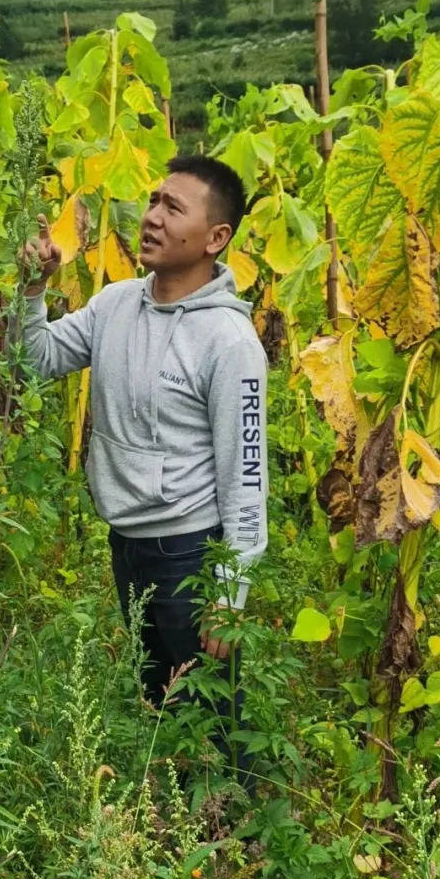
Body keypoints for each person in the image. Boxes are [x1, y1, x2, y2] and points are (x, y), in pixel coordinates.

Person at [20, 155, 268, 727]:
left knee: (207, 718)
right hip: (127, 543)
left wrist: (231, 592)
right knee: (159, 706)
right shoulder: (114, 304)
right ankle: (173, 814)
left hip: (191, 553)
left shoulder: (229, 342)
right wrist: (34, 291)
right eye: (154, 201)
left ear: (216, 238)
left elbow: (246, 475)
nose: (152, 217)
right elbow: (36, 359)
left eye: (173, 208)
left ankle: (225, 812)